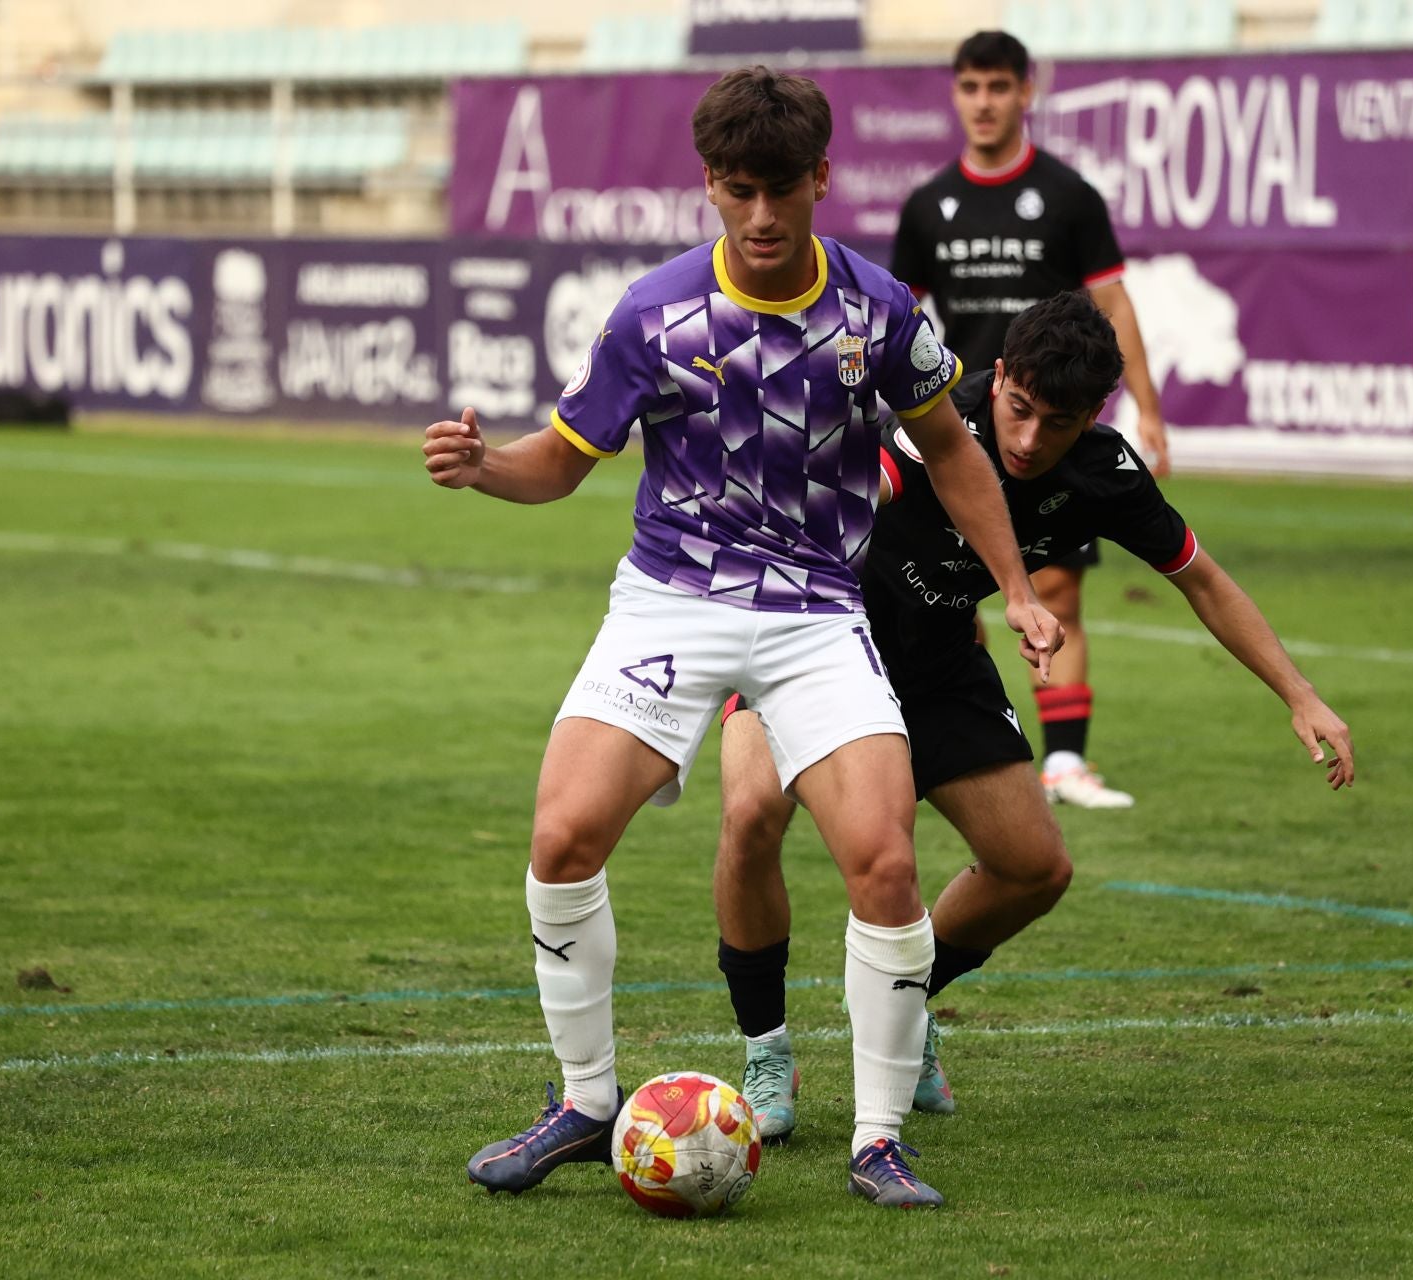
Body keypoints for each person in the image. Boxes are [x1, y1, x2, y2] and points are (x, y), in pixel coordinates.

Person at [423, 66, 1062, 1211]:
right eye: (736, 191)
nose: (761, 217)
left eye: (780, 190)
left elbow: (956, 451)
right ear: (709, 185)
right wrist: (485, 467)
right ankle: (583, 1101)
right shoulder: (653, 313)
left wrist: (1013, 583)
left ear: (822, 178)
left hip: (818, 610)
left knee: (885, 859)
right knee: (564, 832)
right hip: (671, 598)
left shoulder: (879, 311)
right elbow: (564, 460)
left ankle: (876, 1139)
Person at [715, 292, 1354, 1138]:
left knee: (1033, 867)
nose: (1026, 440)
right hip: (814, 636)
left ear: (1092, 415)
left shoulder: (1102, 471)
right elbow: (864, 481)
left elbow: (1201, 578)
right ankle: (766, 1052)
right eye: (1017, 409)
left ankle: (901, 1004)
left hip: (940, 658)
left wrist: (1299, 694)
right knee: (753, 809)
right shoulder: (936, 415)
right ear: (1001, 377)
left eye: (1056, 424)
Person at [892, 30, 1170, 808]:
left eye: (999, 87)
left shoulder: (1068, 196)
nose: (985, 102)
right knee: (949, 599)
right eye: (971, 87)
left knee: (1060, 593)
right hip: (961, 432)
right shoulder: (927, 205)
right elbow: (898, 321)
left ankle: (1065, 764)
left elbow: (1112, 303)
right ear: (956, 95)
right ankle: (972, 733)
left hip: (1049, 438)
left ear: (1027, 92)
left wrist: (1148, 410)